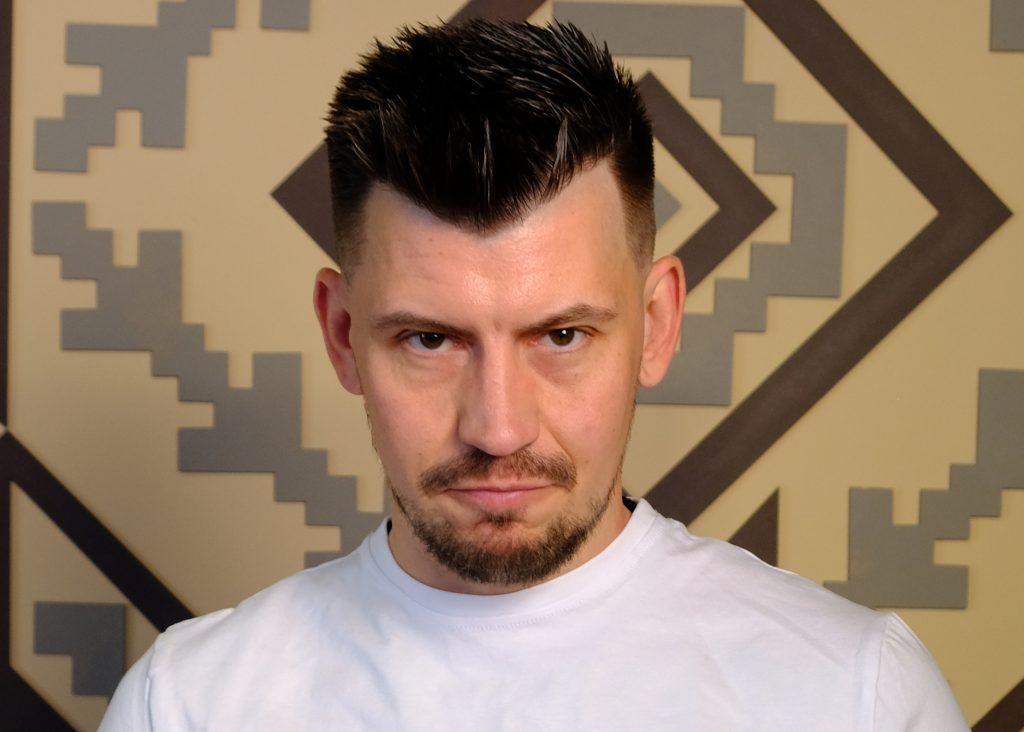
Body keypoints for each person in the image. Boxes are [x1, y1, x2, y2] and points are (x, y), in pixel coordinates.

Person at [100, 20, 968, 730]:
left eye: (561, 335)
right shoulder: (189, 705)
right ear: (341, 332)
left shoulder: (855, 694)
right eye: (430, 341)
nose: (499, 428)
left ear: (657, 323)